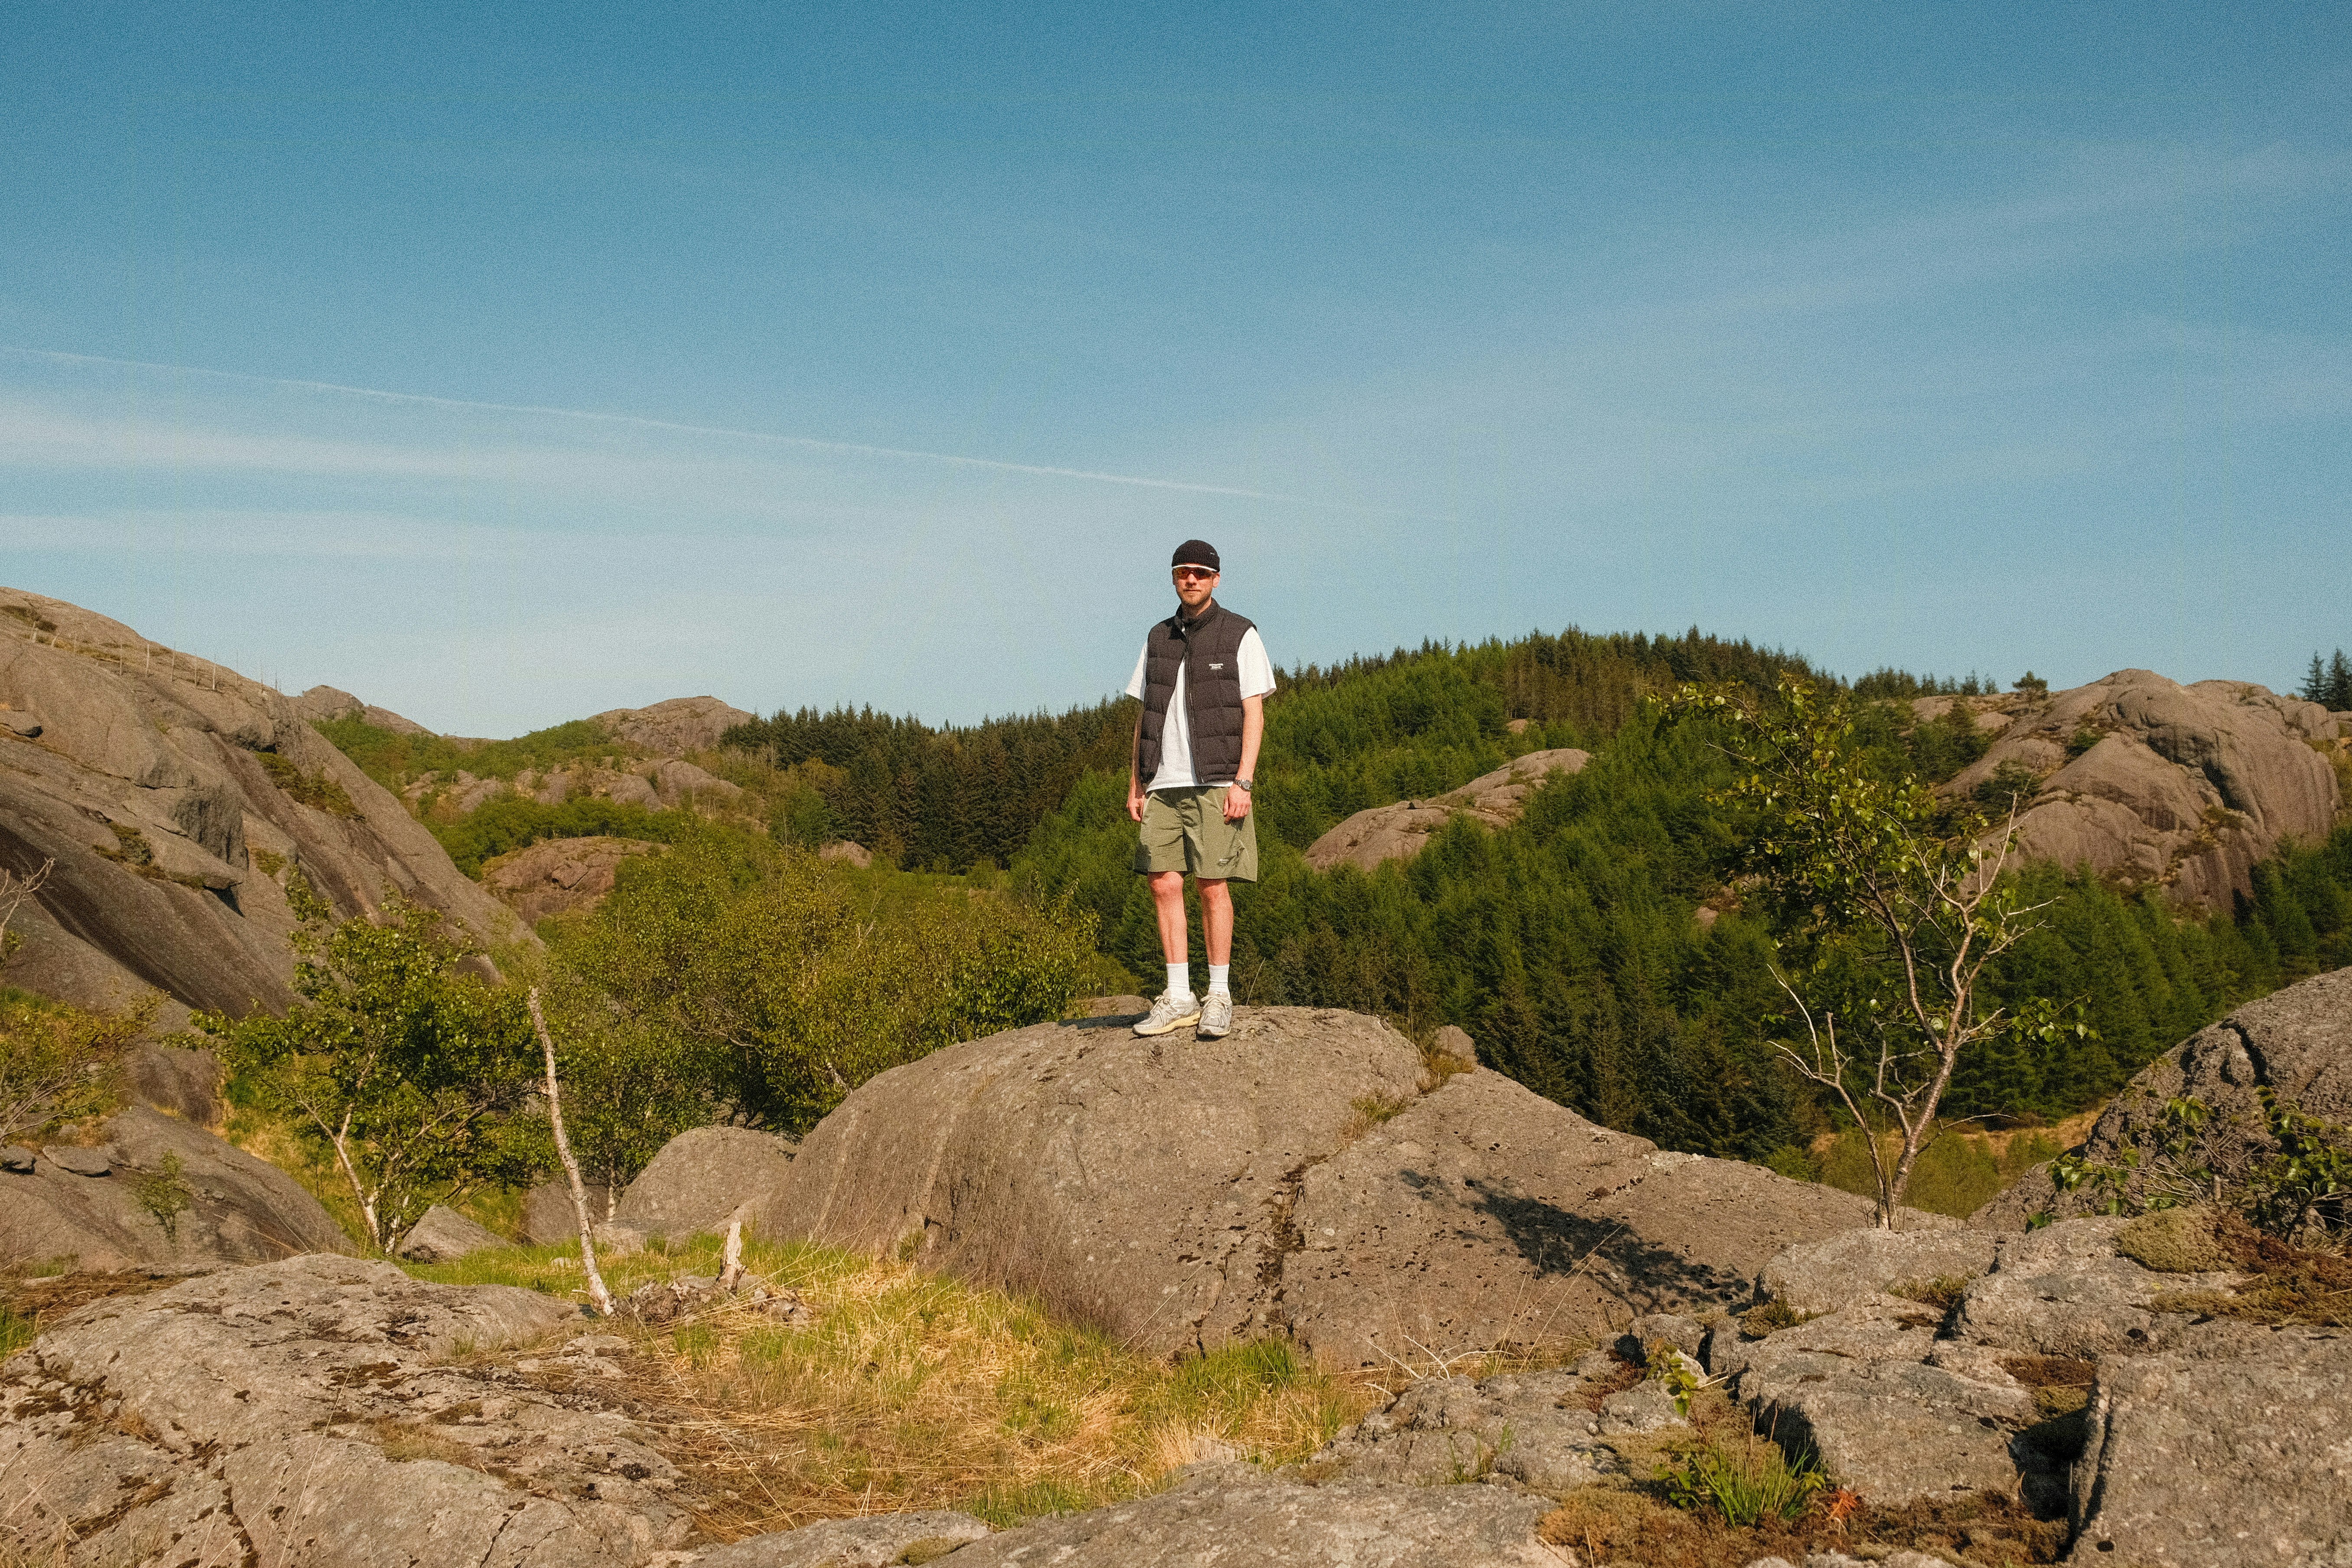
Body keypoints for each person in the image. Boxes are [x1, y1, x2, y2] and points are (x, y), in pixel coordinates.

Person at [1124, 539, 1275, 1039]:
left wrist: (1244, 782)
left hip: (1217, 781)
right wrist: (1136, 783)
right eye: (1183, 572)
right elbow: (1144, 716)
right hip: (1163, 784)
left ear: (1215, 580)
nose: (1191, 580)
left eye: (1201, 573)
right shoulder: (1156, 638)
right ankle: (1179, 995)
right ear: (1173, 578)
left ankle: (1219, 996)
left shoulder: (1240, 633)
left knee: (1213, 885)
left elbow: (1254, 712)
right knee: (1163, 883)